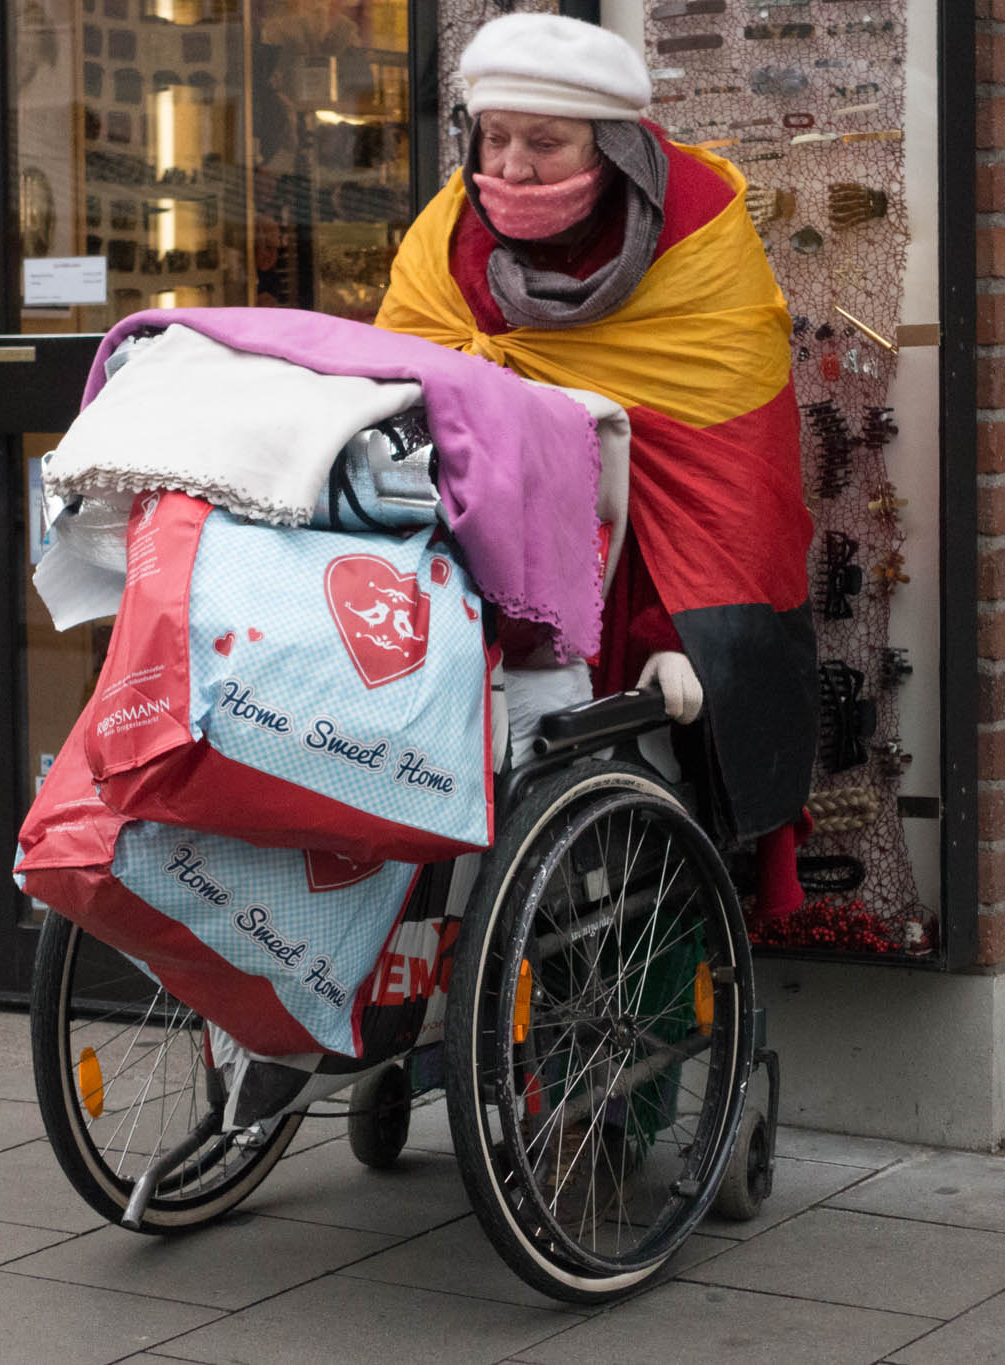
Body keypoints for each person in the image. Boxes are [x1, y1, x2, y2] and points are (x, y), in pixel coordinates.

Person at [376, 12, 817, 920]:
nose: (509, 168)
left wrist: (674, 635)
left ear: (611, 145)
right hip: (485, 604)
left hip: (639, 606)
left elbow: (732, 479)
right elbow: (392, 396)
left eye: (544, 143)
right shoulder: (447, 228)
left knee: (646, 873)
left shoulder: (696, 232)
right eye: (493, 138)